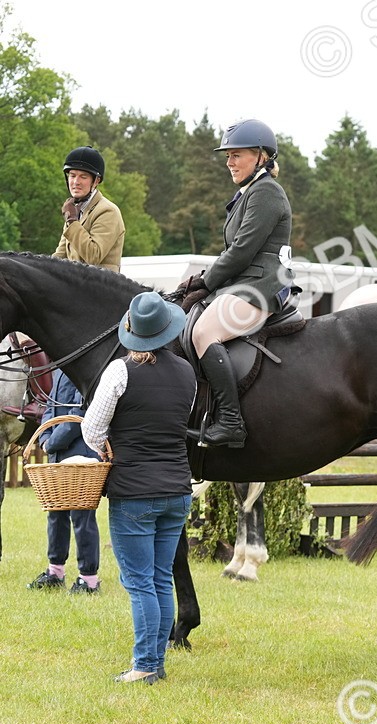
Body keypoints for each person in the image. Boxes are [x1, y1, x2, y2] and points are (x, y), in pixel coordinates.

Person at [82, 292, 196, 684]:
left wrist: (108, 448)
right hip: (178, 490)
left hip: (134, 492)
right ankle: (155, 660)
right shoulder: (187, 372)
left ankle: (146, 664)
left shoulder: (119, 371)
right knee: (161, 577)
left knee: (139, 582)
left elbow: (92, 430)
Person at [177, 119, 293, 449]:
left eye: (236, 155)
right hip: (244, 282)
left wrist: (206, 281)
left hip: (262, 286)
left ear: (261, 156)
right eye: (227, 156)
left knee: (204, 332)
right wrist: (199, 283)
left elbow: (242, 251)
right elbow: (233, 250)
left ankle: (230, 421)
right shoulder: (247, 193)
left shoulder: (266, 192)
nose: (229, 162)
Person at [26, 371, 102, 594]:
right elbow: (50, 407)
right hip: (58, 454)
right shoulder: (60, 370)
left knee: (82, 516)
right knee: (55, 513)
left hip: (81, 452)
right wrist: (43, 437)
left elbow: (79, 415)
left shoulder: (85, 369)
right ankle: (55, 573)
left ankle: (89, 580)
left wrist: (52, 442)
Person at [52, 146, 125, 270]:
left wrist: (72, 221)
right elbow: (60, 256)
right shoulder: (75, 211)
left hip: (101, 286)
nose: (76, 182)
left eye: (83, 177)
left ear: (96, 181)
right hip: (75, 285)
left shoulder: (108, 211)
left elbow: (93, 256)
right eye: (72, 175)